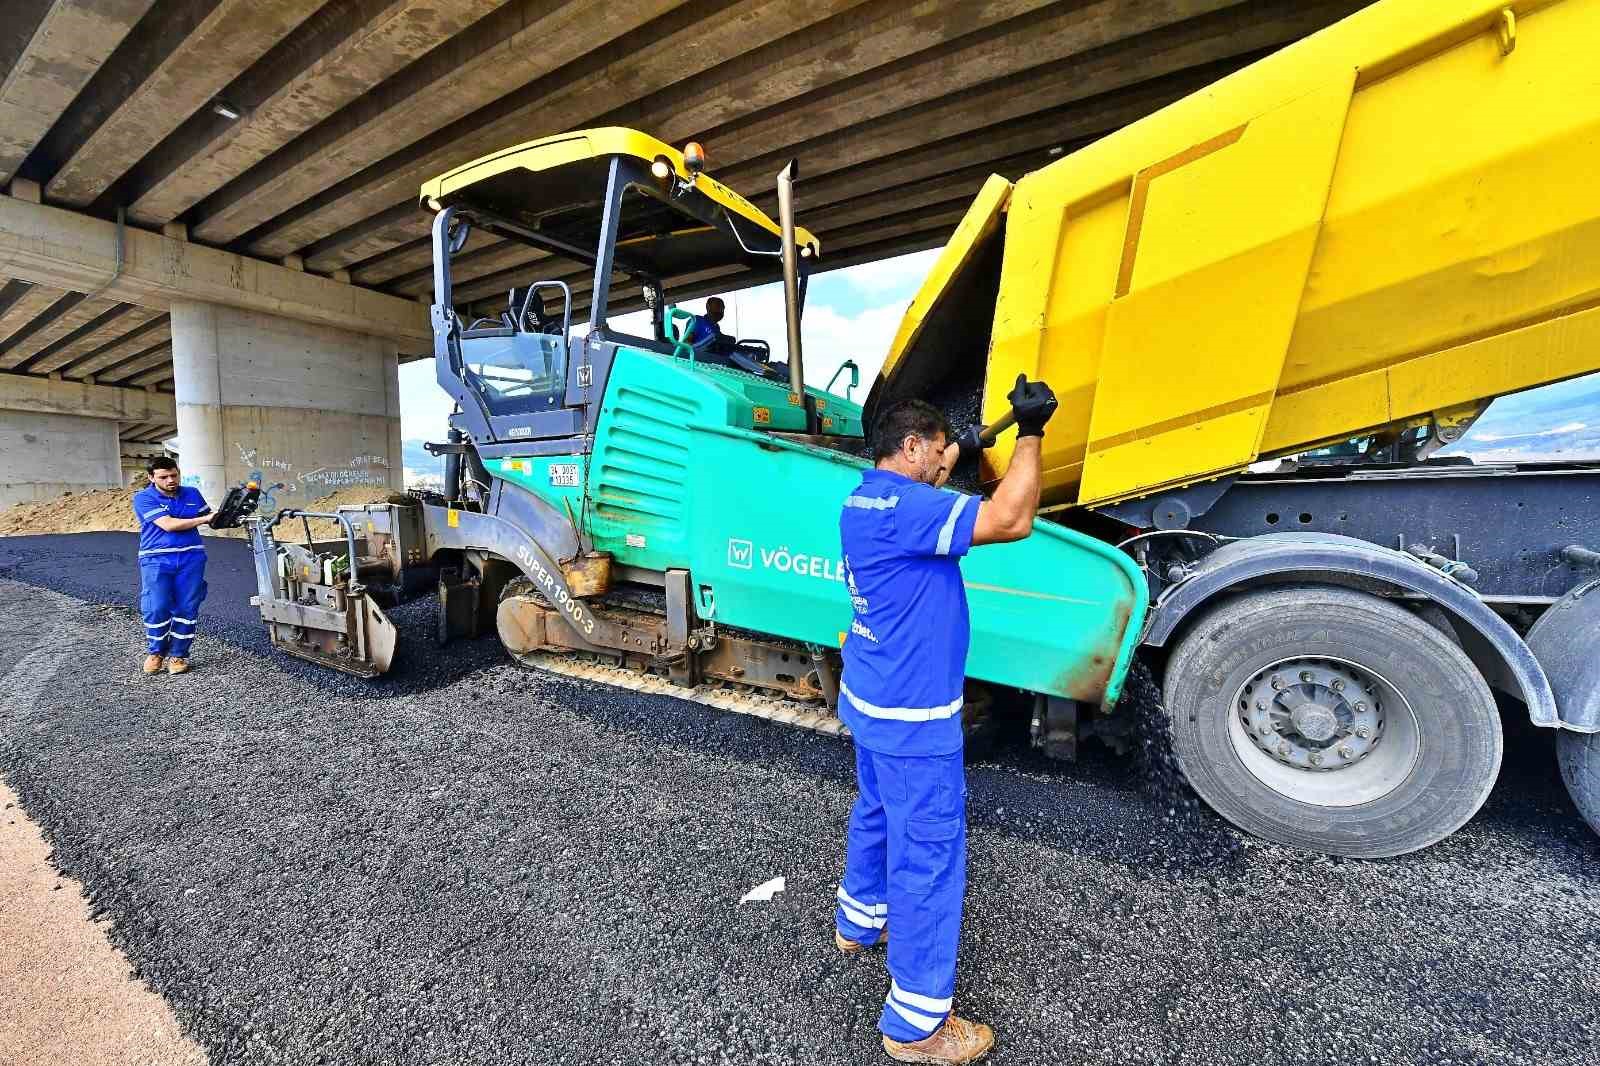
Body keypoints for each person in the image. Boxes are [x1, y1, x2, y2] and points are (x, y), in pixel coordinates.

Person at [834, 375, 1058, 1064]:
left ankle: (858, 921)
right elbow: (1012, 519)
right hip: (914, 718)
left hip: (871, 701)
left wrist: (964, 440)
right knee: (929, 856)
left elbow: (936, 468)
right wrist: (1031, 431)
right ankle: (917, 1025)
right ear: (909, 448)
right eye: (934, 453)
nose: (944, 465)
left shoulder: (865, 496)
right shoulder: (910, 509)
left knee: (875, 809)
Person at [132, 456, 214, 675]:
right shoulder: (143, 498)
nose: (170, 480)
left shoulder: (192, 493)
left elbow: (211, 518)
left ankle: (179, 655)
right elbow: (168, 525)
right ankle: (156, 652)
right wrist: (205, 519)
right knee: (156, 606)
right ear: (151, 478)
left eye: (174, 475)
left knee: (187, 607)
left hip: (191, 558)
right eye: (164, 477)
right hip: (156, 559)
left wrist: (231, 513)